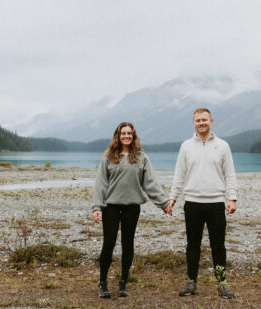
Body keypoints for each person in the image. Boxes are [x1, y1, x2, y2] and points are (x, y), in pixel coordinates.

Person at [91, 122, 171, 299]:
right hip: (110, 206)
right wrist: (96, 207)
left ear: (134, 136)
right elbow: (101, 184)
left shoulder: (141, 157)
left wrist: (164, 203)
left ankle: (123, 283)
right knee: (109, 243)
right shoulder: (108, 157)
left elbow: (150, 184)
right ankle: (102, 283)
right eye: (123, 133)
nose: (126, 136)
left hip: (132, 207)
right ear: (118, 136)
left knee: (128, 243)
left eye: (129, 133)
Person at [167, 107, 238, 298]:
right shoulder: (186, 146)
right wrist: (172, 198)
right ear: (194, 123)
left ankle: (221, 284)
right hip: (192, 203)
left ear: (211, 121)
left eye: (204, 120)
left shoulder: (223, 146)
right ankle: (191, 283)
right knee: (193, 244)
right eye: (198, 120)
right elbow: (179, 174)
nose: (201, 123)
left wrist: (232, 198)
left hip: (216, 203)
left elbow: (229, 174)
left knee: (218, 245)